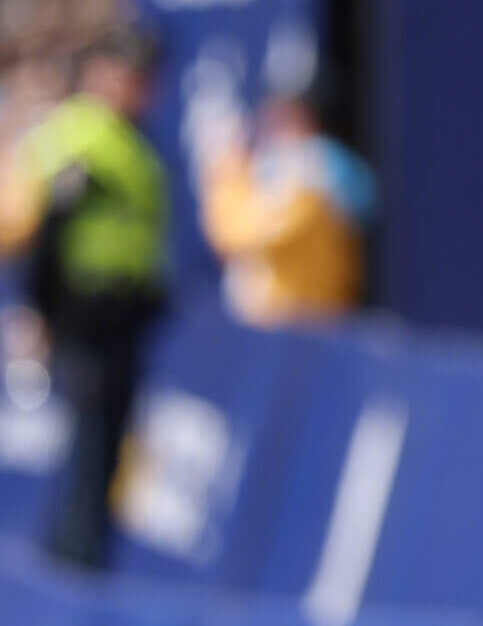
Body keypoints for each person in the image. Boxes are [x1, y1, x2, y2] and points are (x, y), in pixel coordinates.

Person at [0, 28, 169, 569]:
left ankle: (84, 560)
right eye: (129, 75)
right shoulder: (79, 135)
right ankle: (75, 568)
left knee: (108, 449)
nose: (139, 88)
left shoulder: (129, 139)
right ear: (101, 75)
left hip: (125, 316)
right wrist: (38, 310)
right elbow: (45, 226)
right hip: (85, 315)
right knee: (89, 444)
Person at [197, 70, 375, 325]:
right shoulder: (274, 165)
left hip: (305, 321)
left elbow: (238, 235)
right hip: (278, 319)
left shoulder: (314, 167)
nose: (269, 120)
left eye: (281, 112)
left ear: (304, 115)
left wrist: (225, 173)